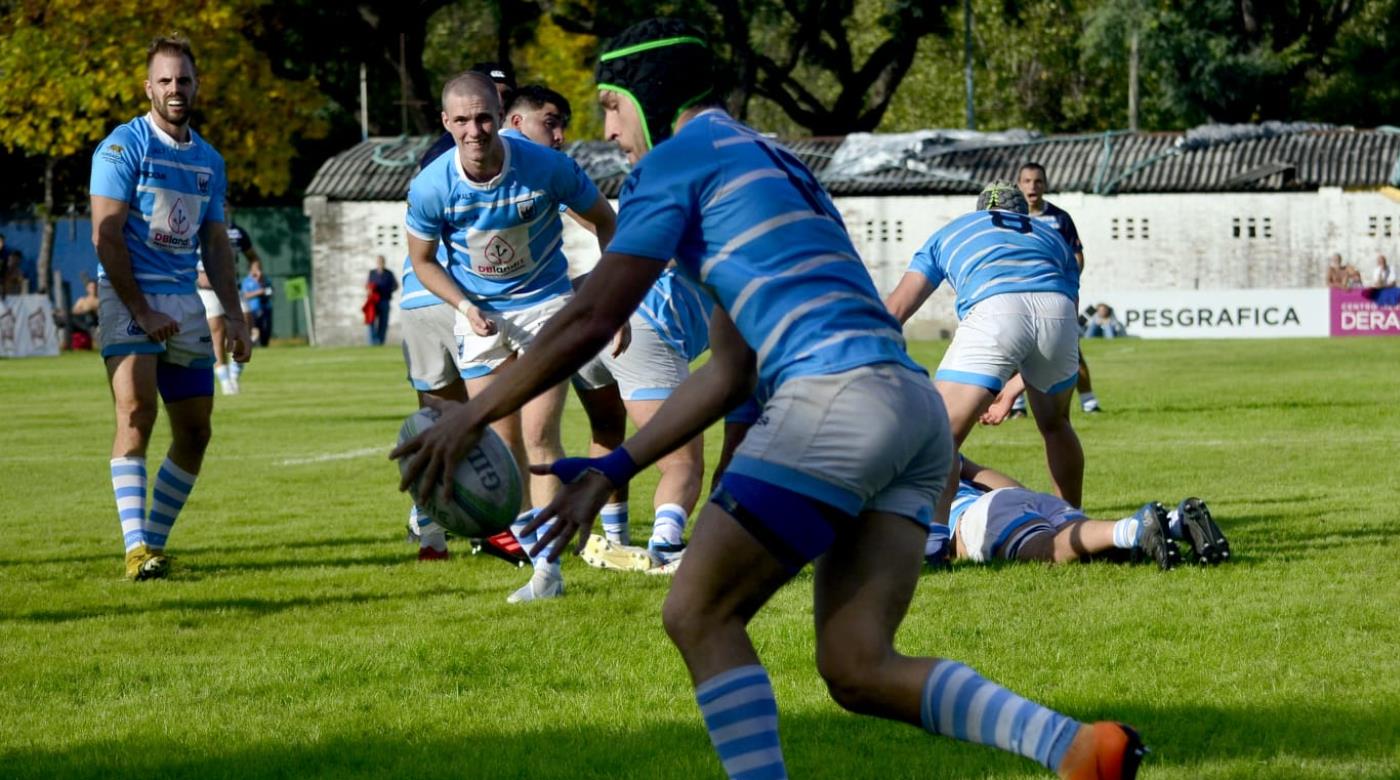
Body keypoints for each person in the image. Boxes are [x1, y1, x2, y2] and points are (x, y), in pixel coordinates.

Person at [393, 19, 1143, 779]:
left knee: (697, 613)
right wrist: (613, 469)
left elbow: (589, 316)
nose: (608, 128)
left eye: (612, 105)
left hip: (833, 400)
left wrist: (471, 413)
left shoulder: (674, 165)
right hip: (914, 415)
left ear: (647, 95)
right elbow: (729, 373)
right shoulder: (777, 160)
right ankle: (1077, 748)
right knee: (857, 667)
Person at [399, 70, 619, 603]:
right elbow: (422, 261)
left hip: (545, 307)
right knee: (502, 441)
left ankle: (547, 572)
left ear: (499, 119)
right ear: (446, 123)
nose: (474, 130)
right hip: (479, 318)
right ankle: (529, 547)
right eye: (462, 121)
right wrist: (463, 304)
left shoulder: (546, 166)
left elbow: (608, 222)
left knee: (541, 431)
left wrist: (616, 302)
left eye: (483, 118)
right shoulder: (431, 186)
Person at [506, 83, 705, 566]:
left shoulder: (541, 175)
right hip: (632, 329)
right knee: (680, 459)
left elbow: (606, 225)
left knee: (608, 430)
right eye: (550, 122)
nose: (562, 135)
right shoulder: (715, 209)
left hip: (589, 326)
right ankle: (665, 547)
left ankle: (610, 539)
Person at [89, 35, 250, 581]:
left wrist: (234, 313)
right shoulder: (121, 147)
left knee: (196, 432)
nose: (175, 89)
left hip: (184, 302)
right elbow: (105, 238)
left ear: (196, 86)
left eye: (183, 80)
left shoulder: (209, 160)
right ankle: (135, 549)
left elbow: (215, 243)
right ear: (148, 87)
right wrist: (140, 308)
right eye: (165, 80)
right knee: (135, 413)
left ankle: (153, 544)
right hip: (126, 292)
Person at [887, 182, 1086, 522]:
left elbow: (898, 306)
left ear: (982, 212)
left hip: (995, 309)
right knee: (1056, 424)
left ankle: (934, 537)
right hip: (1057, 311)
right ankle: (1070, 518)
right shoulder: (1050, 236)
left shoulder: (953, 230)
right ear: (1021, 213)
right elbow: (1059, 316)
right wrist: (1011, 389)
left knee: (941, 436)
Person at [926, 454, 1229, 569]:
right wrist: (1024, 498)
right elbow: (975, 470)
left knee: (1048, 551)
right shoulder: (933, 443)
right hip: (1014, 499)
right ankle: (1177, 524)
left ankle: (1138, 528)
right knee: (1091, 550)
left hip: (978, 516)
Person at [1014, 163, 1101, 414]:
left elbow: (1077, 257)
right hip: (1019, 295)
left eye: (1038, 181)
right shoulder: (1012, 218)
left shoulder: (1060, 217)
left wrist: (1066, 286)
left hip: (1055, 297)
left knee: (1071, 349)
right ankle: (1017, 407)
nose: (1033, 186)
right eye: (1027, 181)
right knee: (1015, 348)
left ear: (1045, 185)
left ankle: (1090, 403)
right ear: (1019, 185)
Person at [197, 208, 261, 393]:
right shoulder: (197, 229)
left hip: (232, 288)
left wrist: (256, 269)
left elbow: (253, 256)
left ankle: (235, 371)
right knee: (217, 330)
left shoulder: (237, 232)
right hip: (208, 290)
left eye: (224, 204)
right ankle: (225, 380)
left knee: (246, 322)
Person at [366, 254, 397, 345]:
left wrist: (388, 291)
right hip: (374, 301)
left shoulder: (389, 273)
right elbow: (368, 285)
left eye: (381, 261)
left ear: (384, 262)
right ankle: (373, 341)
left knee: (383, 322)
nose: (380, 263)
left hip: (385, 300)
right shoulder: (372, 273)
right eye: (378, 261)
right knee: (371, 321)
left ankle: (381, 341)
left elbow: (395, 285)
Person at [241, 258, 272, 346]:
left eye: (259, 267)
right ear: (251, 268)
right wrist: (258, 292)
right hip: (252, 309)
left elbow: (270, 292)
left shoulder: (265, 279)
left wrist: (261, 282)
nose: (258, 269)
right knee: (253, 329)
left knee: (265, 330)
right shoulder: (246, 281)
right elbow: (244, 295)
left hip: (266, 308)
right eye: (256, 267)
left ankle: (265, 346)